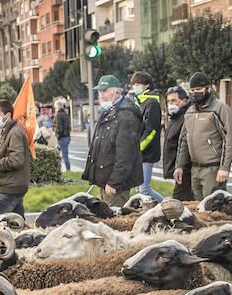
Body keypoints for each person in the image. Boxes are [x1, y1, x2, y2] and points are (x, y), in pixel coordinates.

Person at [174, 72, 232, 200]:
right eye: (192, 90)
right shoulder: (190, 112)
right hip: (195, 169)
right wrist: (179, 166)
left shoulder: (220, 109)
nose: (195, 92)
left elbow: (230, 139)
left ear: (208, 89)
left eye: (199, 89)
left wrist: (224, 168)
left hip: (213, 169)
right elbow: (184, 141)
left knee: (212, 209)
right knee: (198, 209)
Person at [84, 75, 143, 205]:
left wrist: (114, 182)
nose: (101, 94)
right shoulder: (110, 111)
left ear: (117, 92)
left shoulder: (126, 115)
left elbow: (125, 154)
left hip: (115, 185)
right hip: (106, 180)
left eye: (105, 90)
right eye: (100, 91)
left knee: (115, 221)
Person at [0, 98, 31, 220]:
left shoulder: (14, 132)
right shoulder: (7, 131)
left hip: (10, 187)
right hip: (12, 185)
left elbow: (16, 160)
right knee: (18, 226)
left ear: (8, 115)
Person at [129, 72, 163, 203]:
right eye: (134, 84)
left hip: (147, 153)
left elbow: (151, 131)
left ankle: (167, 205)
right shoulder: (140, 102)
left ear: (147, 85)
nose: (135, 87)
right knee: (139, 190)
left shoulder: (152, 103)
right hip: (140, 153)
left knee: (145, 189)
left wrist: (138, 148)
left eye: (138, 84)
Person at [161, 86, 195, 202]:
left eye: (174, 101)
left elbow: (184, 145)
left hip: (184, 171)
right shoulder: (174, 118)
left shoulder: (186, 118)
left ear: (184, 101)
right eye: (168, 101)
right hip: (176, 170)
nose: (170, 104)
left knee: (180, 203)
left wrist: (180, 166)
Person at [53, 97, 72, 171]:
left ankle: (66, 170)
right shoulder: (65, 114)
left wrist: (58, 136)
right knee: (64, 155)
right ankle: (67, 170)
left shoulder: (58, 115)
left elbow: (59, 127)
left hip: (61, 138)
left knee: (59, 155)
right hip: (67, 136)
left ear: (57, 107)